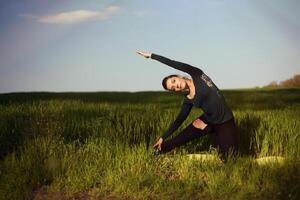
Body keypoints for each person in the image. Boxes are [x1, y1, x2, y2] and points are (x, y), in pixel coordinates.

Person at [136, 51, 239, 159]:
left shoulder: (196, 74)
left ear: (178, 76)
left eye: (174, 81)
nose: (176, 85)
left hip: (225, 121)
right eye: (173, 88)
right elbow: (179, 120)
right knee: (180, 138)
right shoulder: (188, 99)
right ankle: (155, 153)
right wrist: (163, 137)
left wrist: (152, 56)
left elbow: (172, 62)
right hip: (208, 120)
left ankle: (213, 133)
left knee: (230, 158)